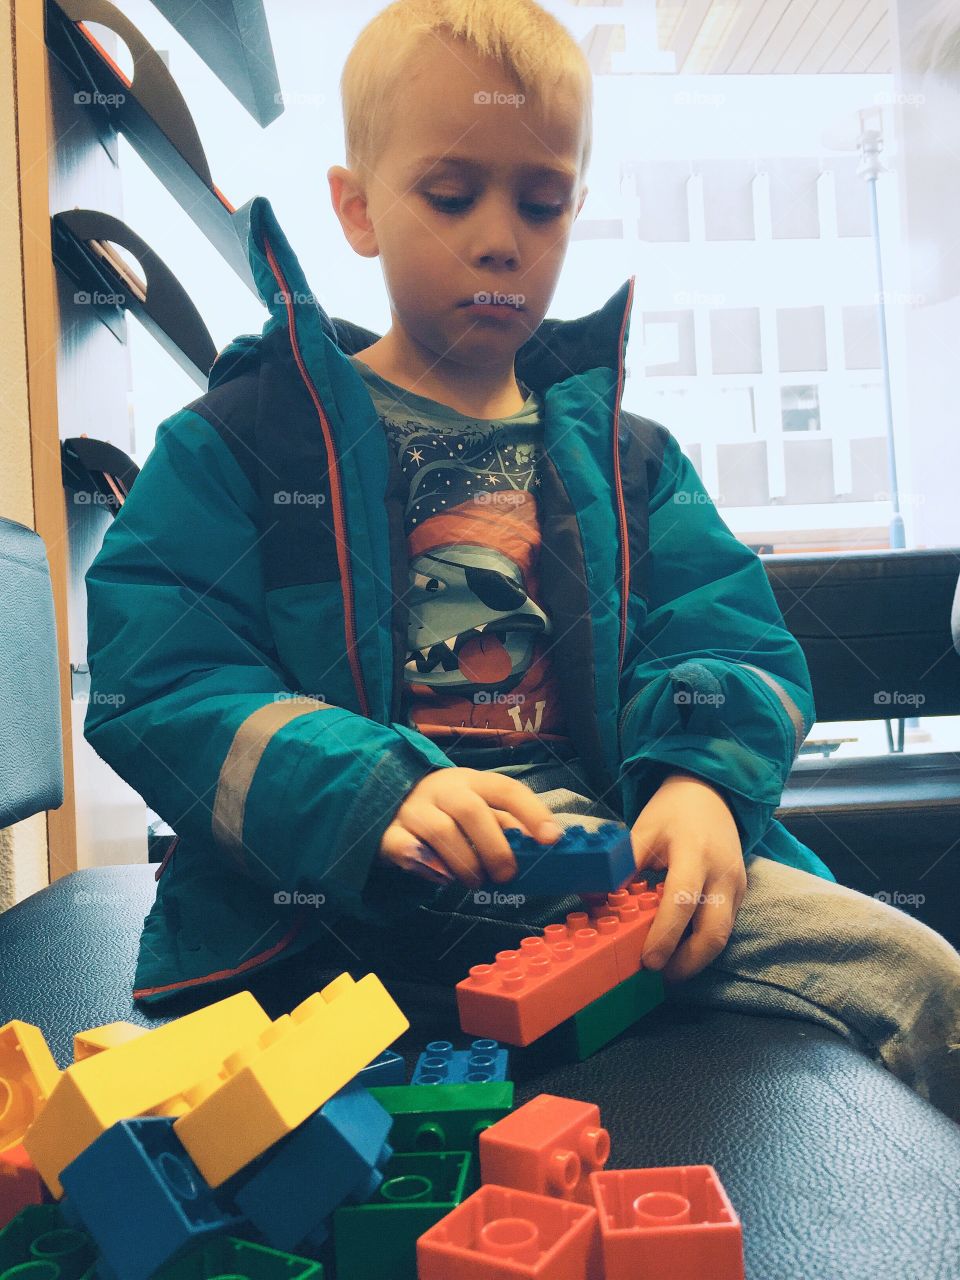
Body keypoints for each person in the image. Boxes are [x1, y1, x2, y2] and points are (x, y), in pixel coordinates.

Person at [83, 0, 960, 1121]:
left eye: (540, 204)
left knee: (921, 977)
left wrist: (697, 779)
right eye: (451, 196)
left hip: (617, 878)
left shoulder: (629, 460)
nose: (501, 238)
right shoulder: (245, 439)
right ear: (356, 207)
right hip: (332, 908)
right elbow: (156, 677)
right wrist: (364, 790)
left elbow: (724, 635)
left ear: (574, 210)